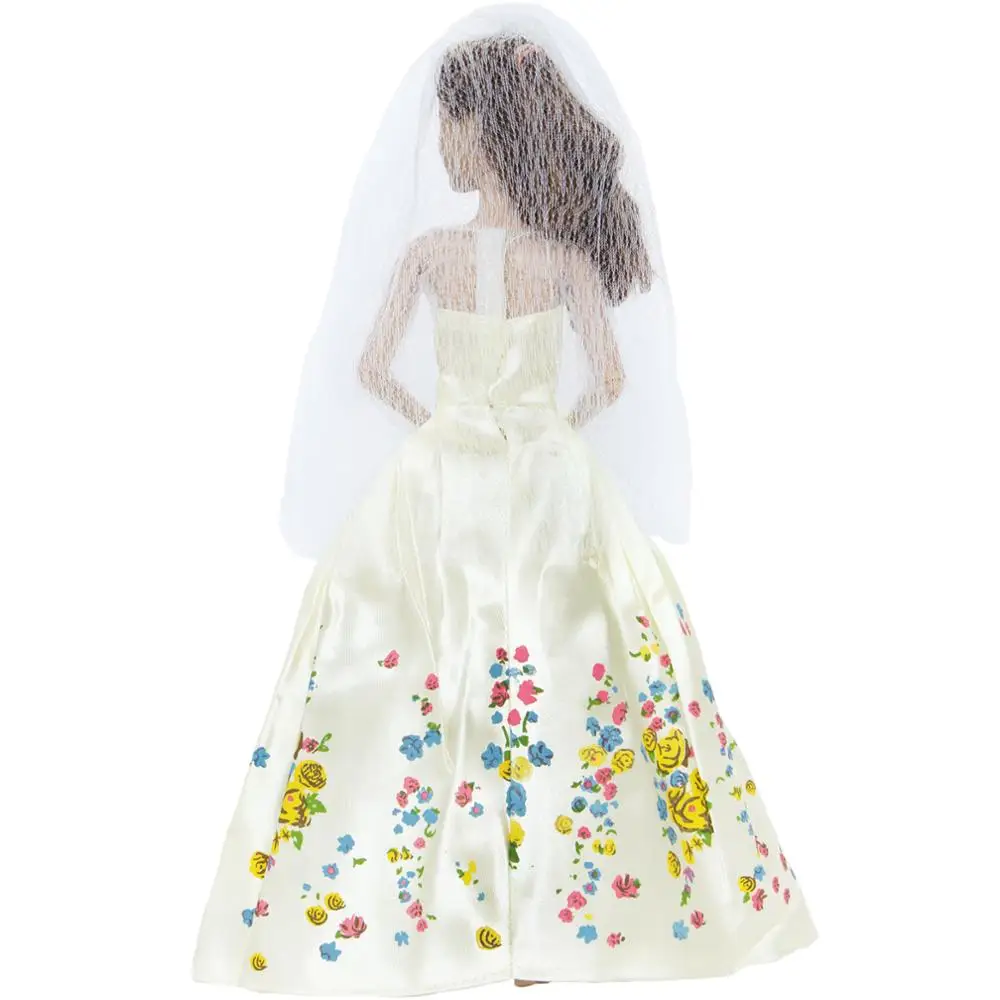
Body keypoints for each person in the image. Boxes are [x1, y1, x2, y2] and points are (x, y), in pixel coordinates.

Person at [192, 6, 817, 994]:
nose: (441, 141)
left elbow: (371, 368)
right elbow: (609, 381)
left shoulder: (431, 255)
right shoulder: (561, 260)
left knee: (422, 661)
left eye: (450, 124)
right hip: (548, 473)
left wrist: (440, 424)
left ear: (479, 129)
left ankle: (440, 919)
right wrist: (547, 427)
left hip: (441, 469)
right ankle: (543, 922)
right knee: (567, 663)